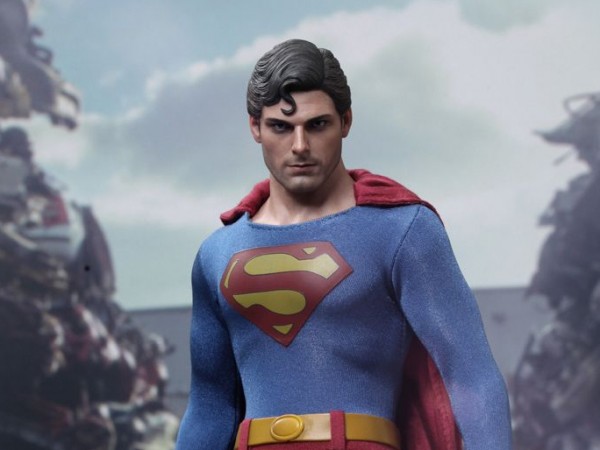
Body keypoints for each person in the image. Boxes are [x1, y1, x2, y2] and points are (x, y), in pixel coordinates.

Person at [176, 39, 512, 450]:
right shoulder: (217, 253)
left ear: (346, 121)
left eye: (317, 124)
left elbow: (470, 376)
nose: (300, 146)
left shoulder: (401, 229)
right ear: (255, 127)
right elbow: (209, 407)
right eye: (281, 127)